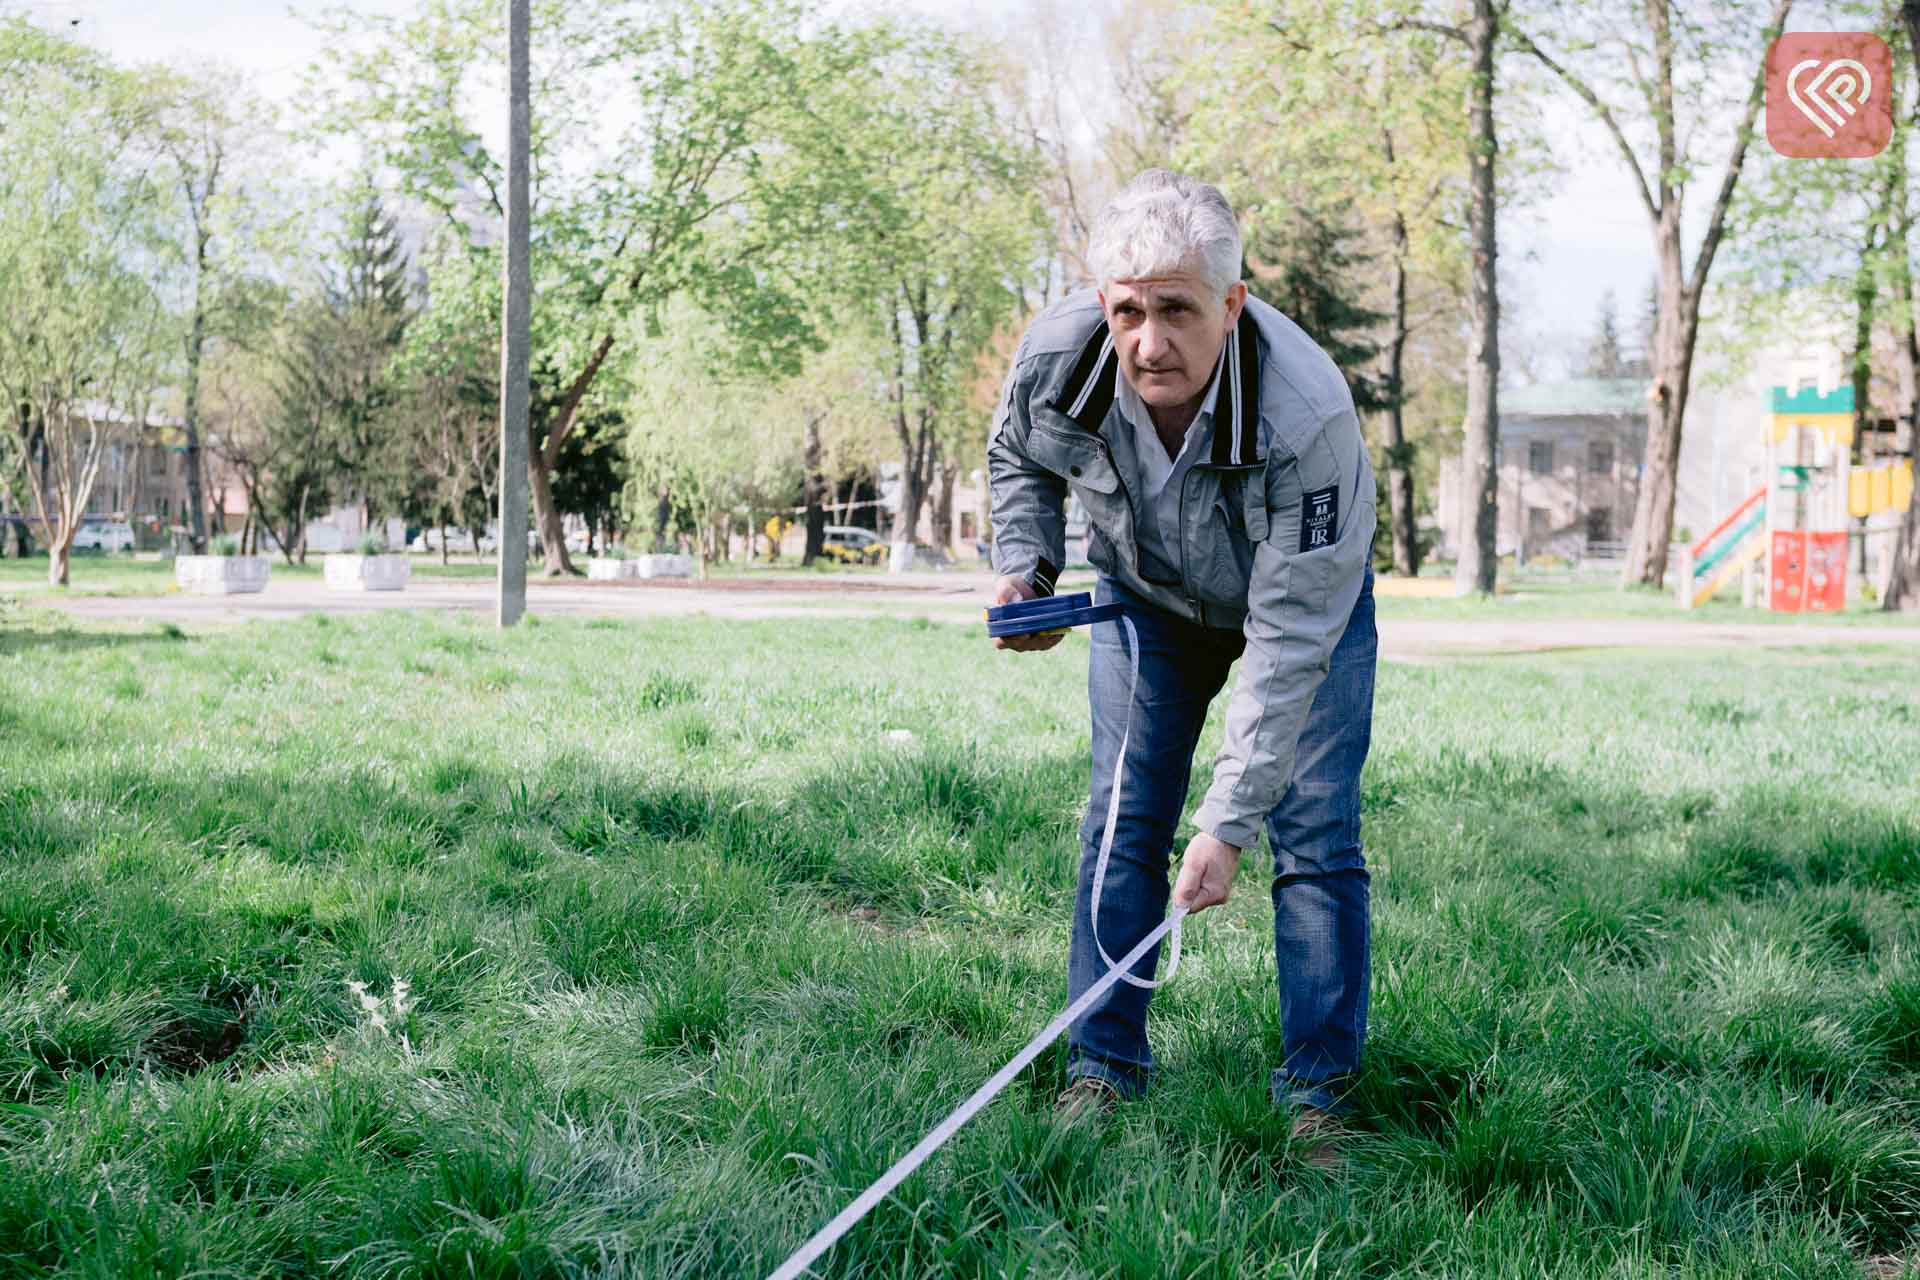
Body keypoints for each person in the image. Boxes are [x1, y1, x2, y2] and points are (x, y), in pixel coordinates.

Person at [985, 170, 1377, 1167]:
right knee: (1122, 819)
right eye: (1128, 310)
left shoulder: (1308, 415)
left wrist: (1229, 819)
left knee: (1315, 829)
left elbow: (1288, 646)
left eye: (1176, 311)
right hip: (1147, 603)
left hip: (1297, 612)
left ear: (1231, 304)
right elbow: (1016, 457)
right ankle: (1101, 1068)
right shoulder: (1056, 356)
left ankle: (1319, 1092)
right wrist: (1025, 569)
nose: (1149, 342)